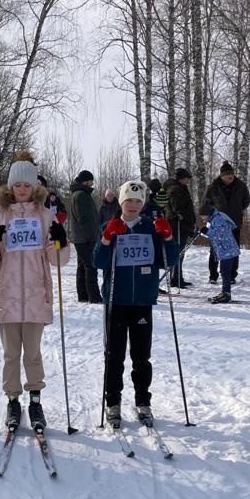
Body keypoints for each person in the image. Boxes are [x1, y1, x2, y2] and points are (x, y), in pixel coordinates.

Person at [0, 152, 71, 431]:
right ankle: (12, 401)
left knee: (32, 352)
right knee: (10, 354)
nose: (22, 189)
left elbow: (57, 261)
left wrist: (61, 242)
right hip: (7, 296)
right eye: (17, 185)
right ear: (10, 187)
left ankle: (35, 399)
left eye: (27, 185)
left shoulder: (45, 216)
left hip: (34, 295)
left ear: (35, 187)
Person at [93, 180, 180, 428]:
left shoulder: (150, 228)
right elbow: (98, 261)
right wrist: (108, 238)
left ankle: (143, 401)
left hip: (142, 300)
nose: (133, 205)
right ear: (121, 202)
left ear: (143, 203)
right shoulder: (110, 225)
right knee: (114, 355)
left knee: (141, 356)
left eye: (137, 201)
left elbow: (170, 261)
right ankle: (113, 402)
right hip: (116, 300)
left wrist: (168, 236)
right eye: (128, 200)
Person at [201, 161, 250, 283]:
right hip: (217, 223)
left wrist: (238, 210)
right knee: (214, 249)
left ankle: (232, 275)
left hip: (234, 222)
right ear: (222, 176)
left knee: (233, 249)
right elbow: (206, 203)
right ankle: (213, 276)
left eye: (232, 176)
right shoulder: (213, 187)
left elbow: (246, 200)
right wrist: (211, 215)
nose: (230, 178)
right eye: (228, 177)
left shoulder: (241, 186)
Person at [66, 170, 101, 303]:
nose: (92, 184)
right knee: (90, 266)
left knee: (82, 267)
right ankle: (94, 296)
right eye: (90, 181)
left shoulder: (77, 194)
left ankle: (83, 295)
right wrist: (91, 235)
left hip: (79, 237)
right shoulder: (82, 195)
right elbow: (84, 218)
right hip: (85, 237)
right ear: (85, 181)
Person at [198, 204, 240, 303]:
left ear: (207, 214)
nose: (201, 218)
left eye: (202, 216)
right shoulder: (213, 219)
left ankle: (226, 294)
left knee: (225, 271)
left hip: (228, 250)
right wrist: (203, 232)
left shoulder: (218, 220)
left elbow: (221, 235)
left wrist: (207, 231)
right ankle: (225, 292)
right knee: (224, 271)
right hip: (225, 250)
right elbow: (213, 235)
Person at [164, 167, 196, 288]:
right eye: (187, 178)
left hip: (182, 225)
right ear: (182, 178)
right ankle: (175, 278)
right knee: (178, 252)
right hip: (178, 225)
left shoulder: (179, 188)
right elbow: (177, 208)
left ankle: (177, 277)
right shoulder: (176, 190)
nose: (188, 181)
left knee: (180, 252)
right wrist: (181, 216)